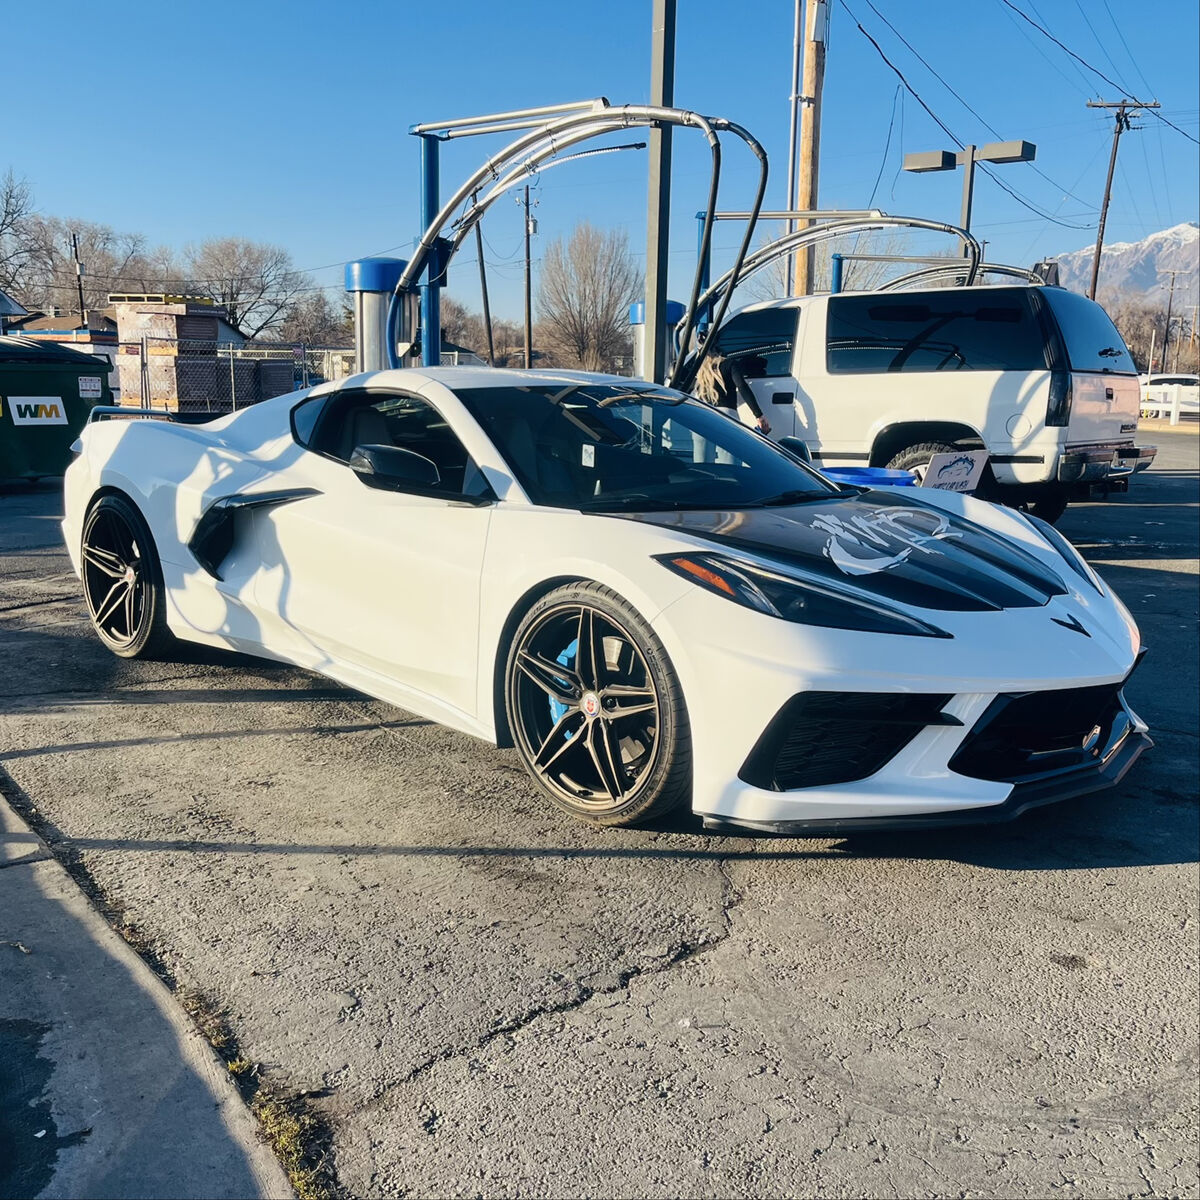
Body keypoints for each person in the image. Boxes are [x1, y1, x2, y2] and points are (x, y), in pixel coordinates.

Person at [690, 350, 772, 435]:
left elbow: (683, 389)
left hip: (702, 415)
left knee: (701, 448)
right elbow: (742, 386)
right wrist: (759, 415)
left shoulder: (697, 371)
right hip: (726, 414)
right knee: (726, 447)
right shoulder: (730, 364)